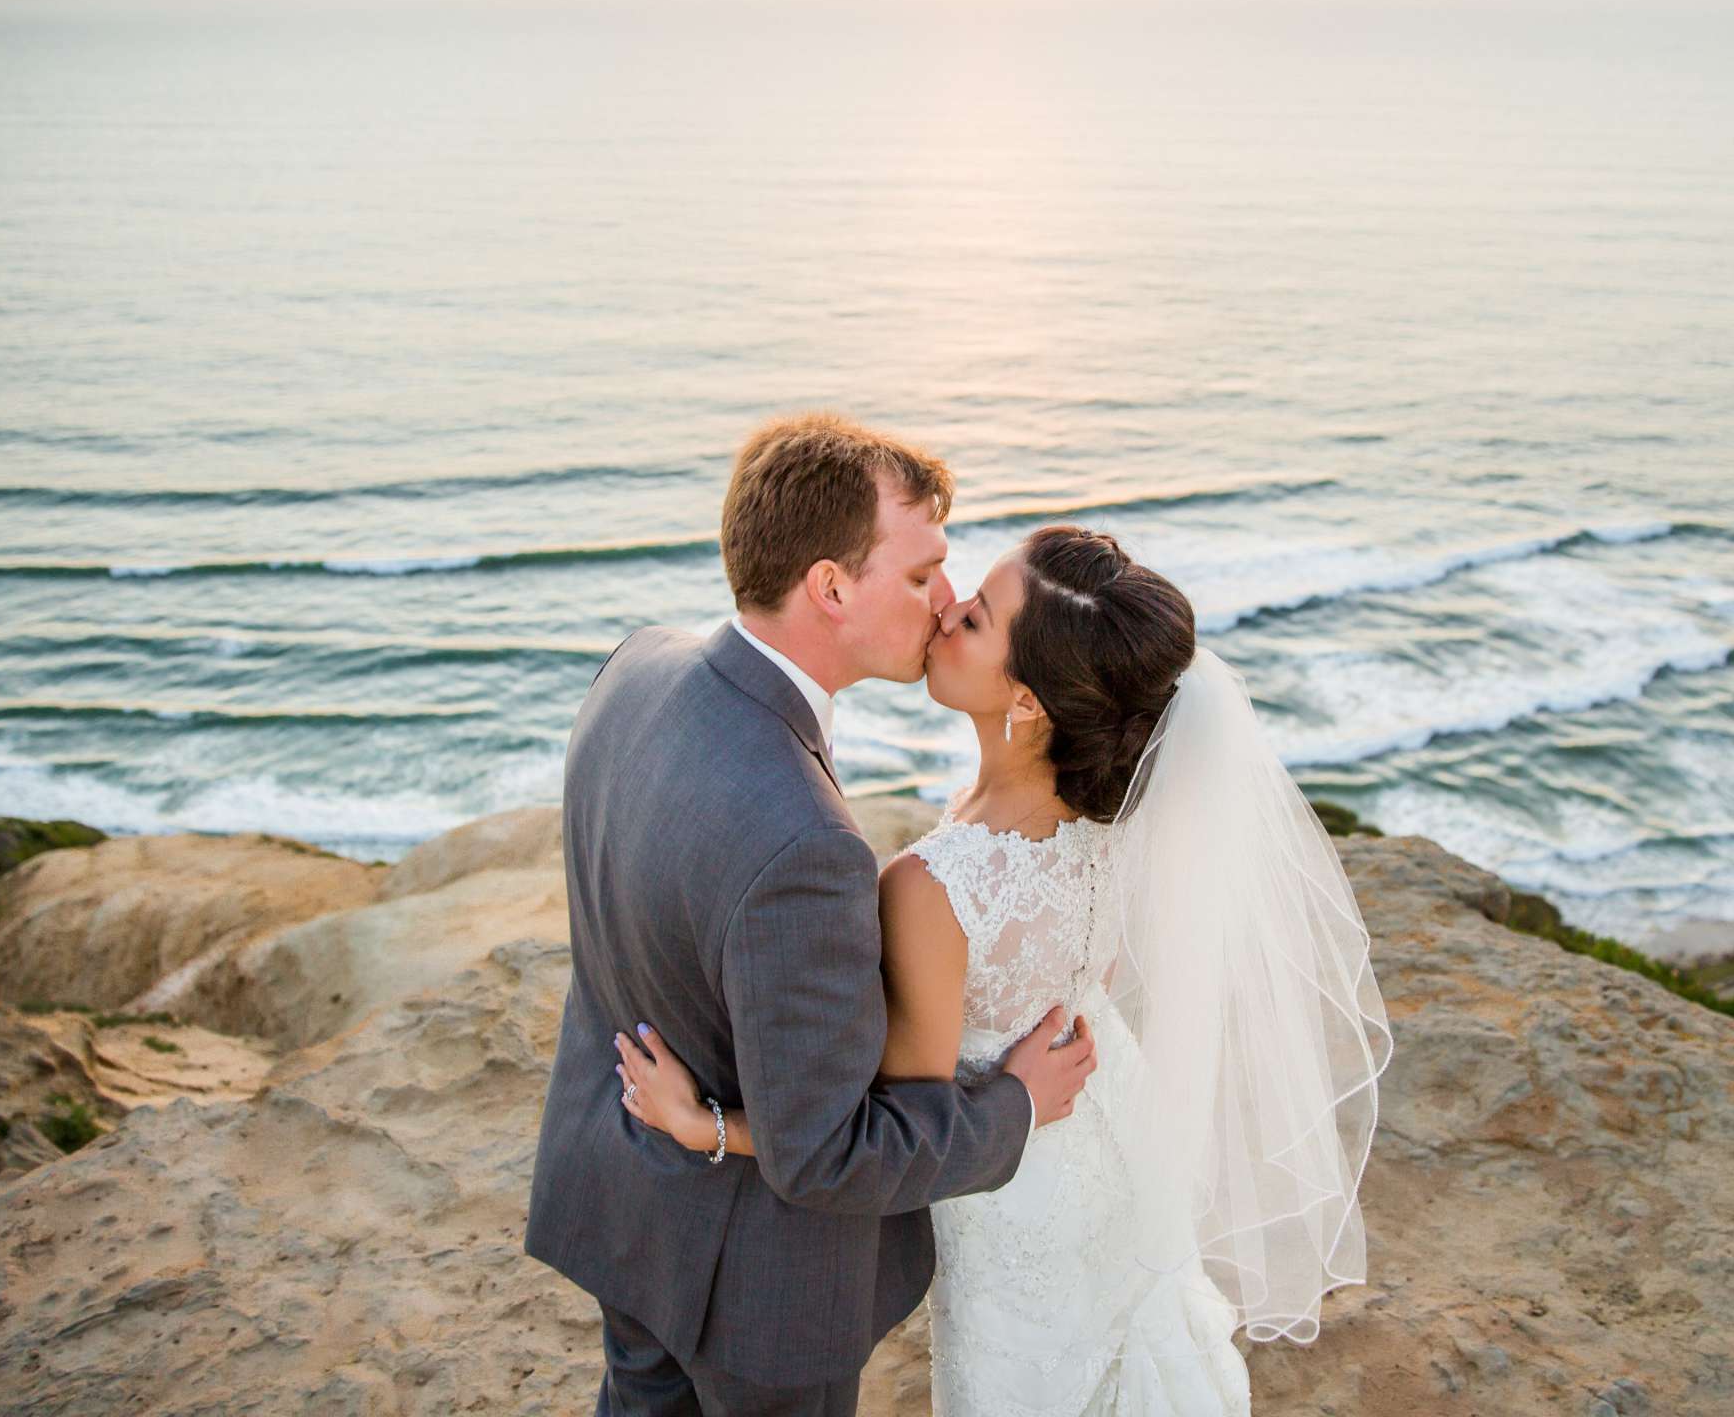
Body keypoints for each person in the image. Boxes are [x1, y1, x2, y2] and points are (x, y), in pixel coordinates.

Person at [619, 520, 1395, 1414]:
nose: (945, 611)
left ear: (1025, 702)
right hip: (1111, 1143)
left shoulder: (933, 889)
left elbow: (889, 1130)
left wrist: (708, 1125)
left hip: (1015, 1199)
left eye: (977, 619)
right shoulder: (1112, 820)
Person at [525, 413, 1099, 1417]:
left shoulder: (638, 665)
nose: (947, 600)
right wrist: (1014, 1104)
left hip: (622, 1199)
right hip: (758, 1291)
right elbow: (824, 1152)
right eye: (921, 575)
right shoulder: (809, 846)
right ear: (831, 587)